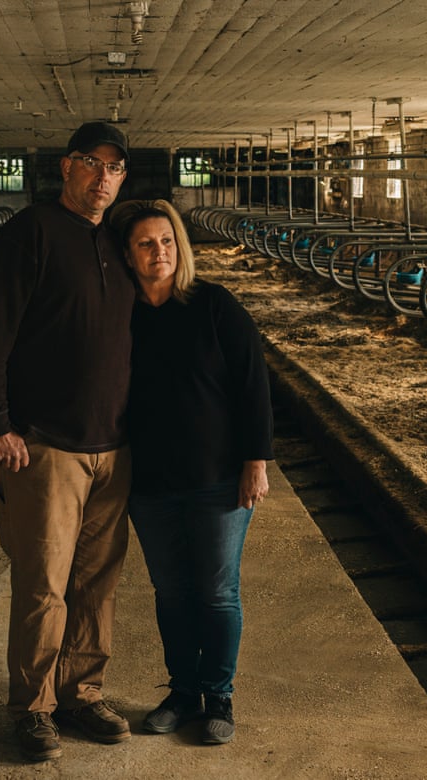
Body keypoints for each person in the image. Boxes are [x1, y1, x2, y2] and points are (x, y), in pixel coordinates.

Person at [0, 121, 135, 762]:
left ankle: (82, 694)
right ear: (67, 167)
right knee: (43, 585)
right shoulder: (30, 232)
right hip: (46, 444)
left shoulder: (118, 239)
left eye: (114, 168)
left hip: (113, 445)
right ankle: (33, 707)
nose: (103, 178)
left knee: (97, 582)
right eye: (92, 163)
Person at [112, 198, 274, 745]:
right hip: (151, 482)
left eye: (166, 241)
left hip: (218, 479)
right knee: (171, 591)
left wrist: (256, 462)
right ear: (128, 256)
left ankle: (218, 696)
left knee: (216, 591)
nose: (159, 251)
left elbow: (253, 385)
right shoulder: (122, 316)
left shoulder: (213, 305)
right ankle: (182, 693)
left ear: (179, 247)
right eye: (145, 244)